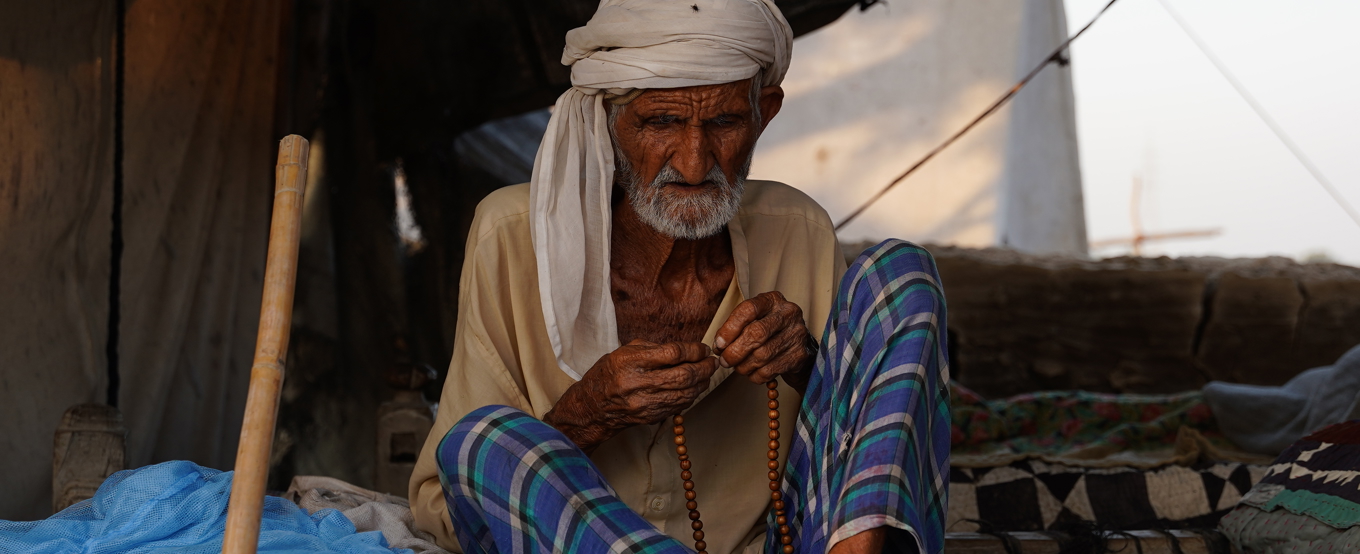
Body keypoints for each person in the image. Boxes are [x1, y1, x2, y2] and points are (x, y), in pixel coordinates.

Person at [408, 1, 950, 553]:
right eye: (661, 122)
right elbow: (444, 507)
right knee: (481, 441)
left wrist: (808, 365)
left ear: (766, 111)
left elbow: (849, 448)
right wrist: (587, 415)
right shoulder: (512, 235)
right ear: (608, 121)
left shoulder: (797, 229)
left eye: (725, 122)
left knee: (902, 275)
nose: (694, 164)